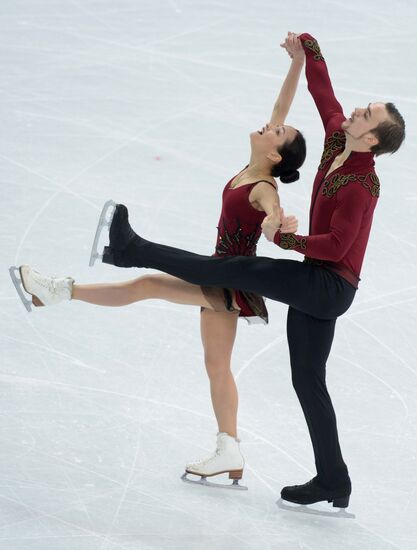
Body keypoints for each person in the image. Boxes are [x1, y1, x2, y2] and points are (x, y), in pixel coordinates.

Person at [53, 31, 403, 509]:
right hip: (318, 281)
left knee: (234, 269)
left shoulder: (362, 183)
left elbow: (339, 244)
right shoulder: (338, 143)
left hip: (327, 285)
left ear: (372, 139)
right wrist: (308, 50)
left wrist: (283, 239)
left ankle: (133, 247)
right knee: (307, 380)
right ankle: (333, 480)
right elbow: (324, 93)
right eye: (363, 107)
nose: (356, 112)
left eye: (366, 115)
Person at [10, 35, 307, 489]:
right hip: (223, 278)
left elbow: (269, 221)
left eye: (278, 132)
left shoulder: (265, 186)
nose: (272, 125)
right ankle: (230, 447)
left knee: (145, 285)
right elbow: (283, 105)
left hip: (227, 279)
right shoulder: (259, 162)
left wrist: (278, 225)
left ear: (274, 154)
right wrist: (298, 63)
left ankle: (55, 291)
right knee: (216, 366)